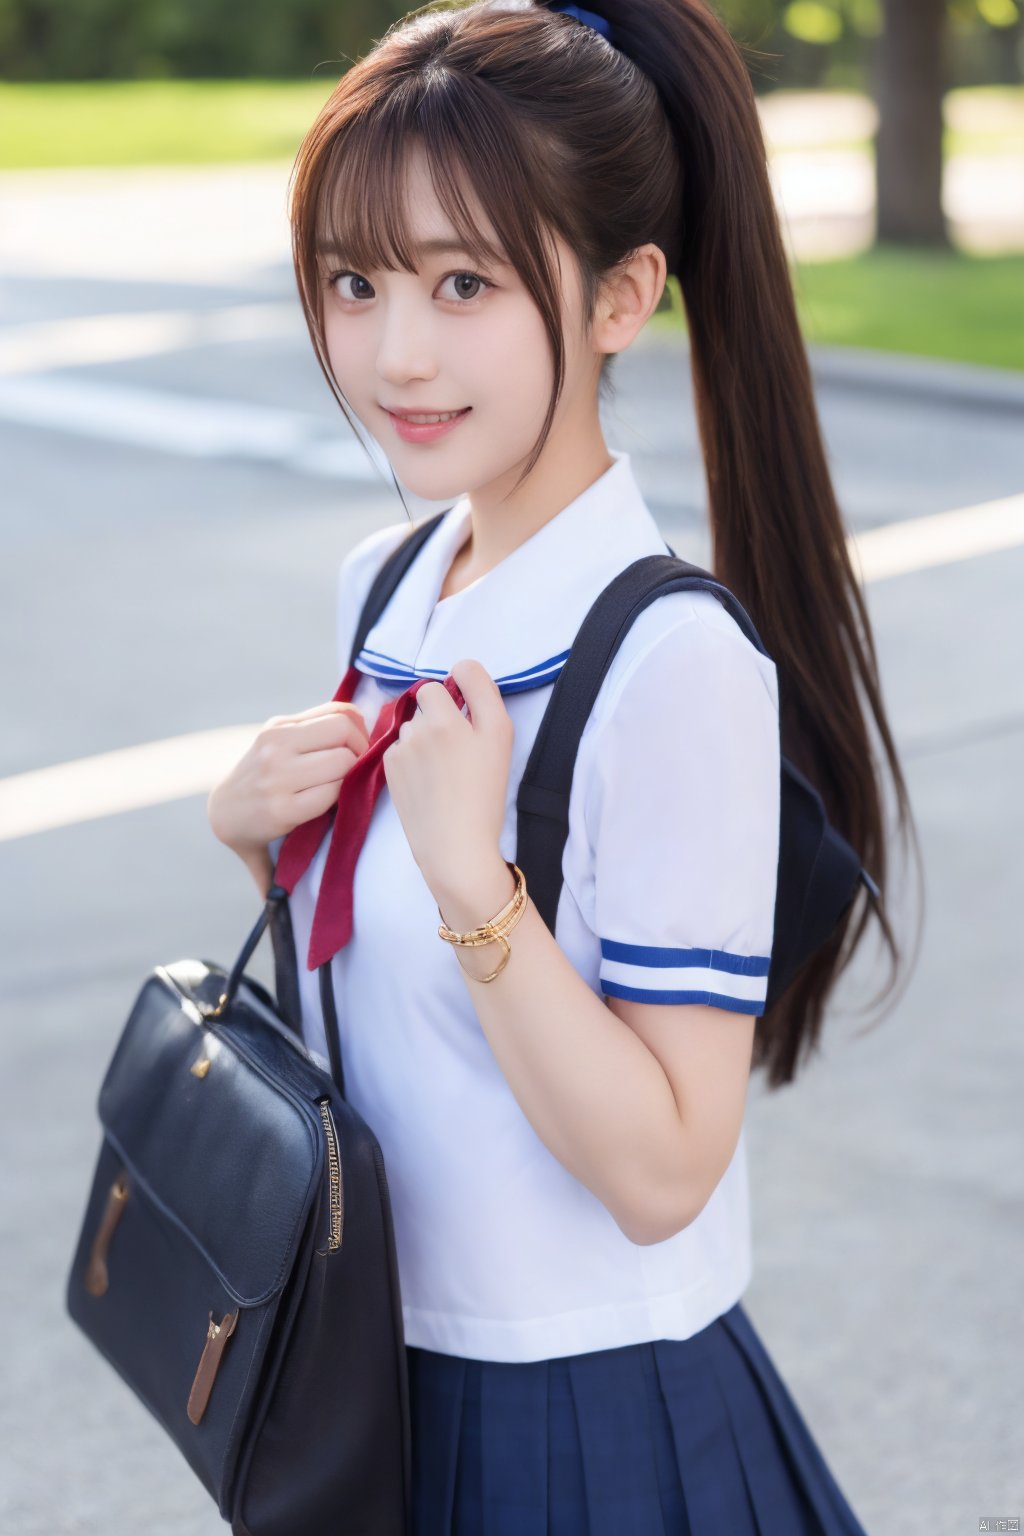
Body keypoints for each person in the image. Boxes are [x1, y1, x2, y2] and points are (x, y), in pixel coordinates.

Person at [208, 1, 919, 1529]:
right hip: (371, 1381)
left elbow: (664, 1171)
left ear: (620, 297)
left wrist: (481, 892)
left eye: (463, 282)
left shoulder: (671, 670)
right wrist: (263, 840)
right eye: (356, 280)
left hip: (582, 1420)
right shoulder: (388, 588)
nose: (396, 351)